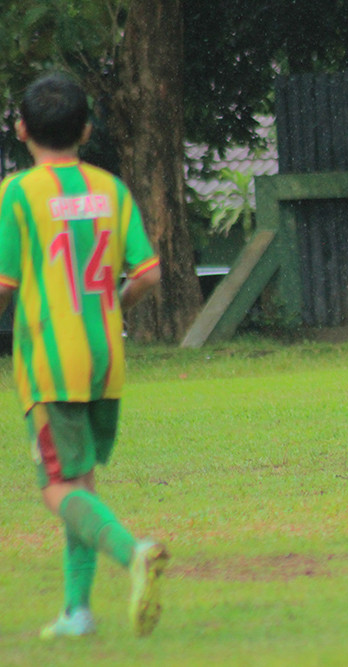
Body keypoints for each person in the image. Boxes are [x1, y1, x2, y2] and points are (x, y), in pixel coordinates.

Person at [0, 72, 168, 639]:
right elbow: (148, 273)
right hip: (105, 359)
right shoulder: (111, 190)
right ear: (87, 130)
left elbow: (3, 284)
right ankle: (77, 612)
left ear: (21, 129)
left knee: (56, 488)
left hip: (50, 361)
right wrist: (115, 305)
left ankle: (132, 551)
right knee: (79, 483)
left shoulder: (18, 192)